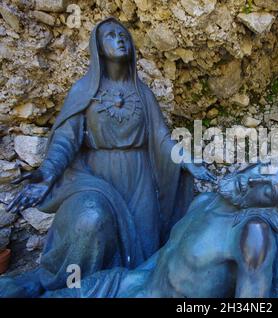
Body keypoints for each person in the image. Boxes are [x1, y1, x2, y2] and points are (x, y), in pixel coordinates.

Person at [0, 17, 215, 297]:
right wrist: (47, 174)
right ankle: (78, 288)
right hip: (96, 176)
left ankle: (128, 289)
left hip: (140, 180)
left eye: (123, 34)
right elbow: (66, 140)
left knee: (143, 248)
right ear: (98, 48)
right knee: (91, 219)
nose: (120, 38)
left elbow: (161, 139)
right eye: (111, 35)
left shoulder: (143, 93)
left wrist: (187, 161)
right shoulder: (84, 91)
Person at [44, 158, 278, 298]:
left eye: (268, 191)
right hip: (129, 286)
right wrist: (122, 283)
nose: (254, 181)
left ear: (269, 207)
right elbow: (164, 258)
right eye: (262, 172)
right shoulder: (204, 201)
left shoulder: (253, 233)